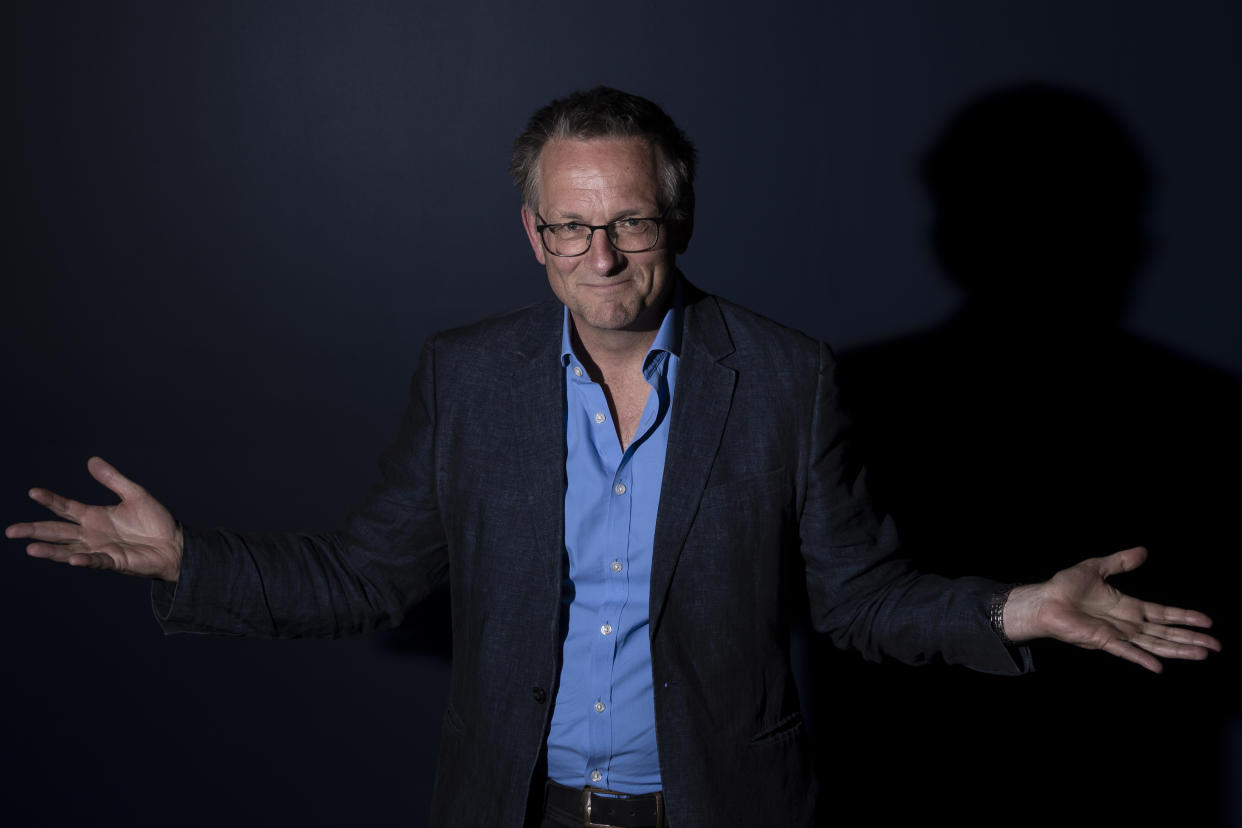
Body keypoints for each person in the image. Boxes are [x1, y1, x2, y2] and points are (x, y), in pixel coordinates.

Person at [6, 87, 1220, 828]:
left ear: (673, 221)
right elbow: (368, 576)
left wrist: (1017, 610)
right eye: (570, 225)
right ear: (532, 235)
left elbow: (857, 600)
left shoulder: (786, 378)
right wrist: (189, 560)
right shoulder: (467, 377)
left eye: (627, 220)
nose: (600, 253)